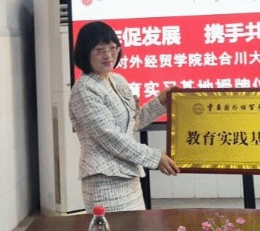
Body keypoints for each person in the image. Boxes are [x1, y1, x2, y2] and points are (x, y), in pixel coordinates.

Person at [69, 21, 180, 213]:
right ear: (85, 52)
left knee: (136, 230)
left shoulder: (117, 80)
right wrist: (154, 157)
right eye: (99, 50)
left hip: (129, 177)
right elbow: (109, 137)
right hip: (104, 181)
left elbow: (133, 123)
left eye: (113, 48)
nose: (108, 55)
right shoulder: (84, 89)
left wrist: (161, 102)